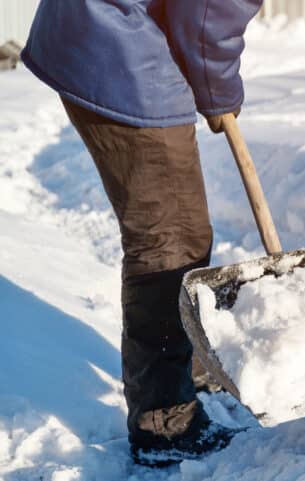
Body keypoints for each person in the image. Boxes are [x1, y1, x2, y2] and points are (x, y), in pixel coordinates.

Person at [21, 0, 263, 467]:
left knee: (181, 234)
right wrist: (218, 94)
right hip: (117, 45)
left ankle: (185, 365)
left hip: (98, 30)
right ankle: (164, 421)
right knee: (169, 243)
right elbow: (208, 16)